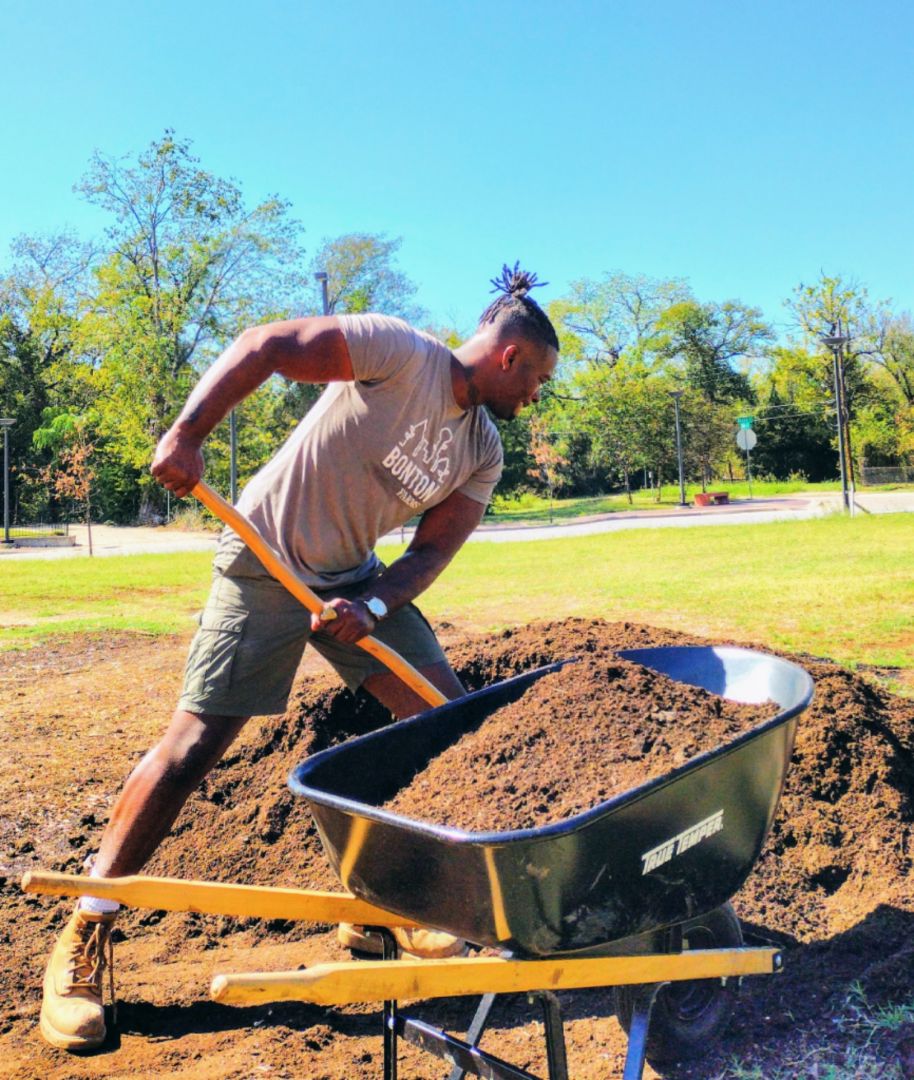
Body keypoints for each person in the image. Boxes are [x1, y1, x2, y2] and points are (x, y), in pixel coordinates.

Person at [39, 264, 559, 1052]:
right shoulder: (397, 350)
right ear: (512, 356)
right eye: (539, 381)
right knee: (193, 747)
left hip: (350, 581)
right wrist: (187, 433)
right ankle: (85, 930)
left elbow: (431, 552)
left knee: (447, 723)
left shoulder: (481, 448)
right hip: (266, 555)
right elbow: (267, 346)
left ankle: (391, 909)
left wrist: (374, 605)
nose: (535, 400)